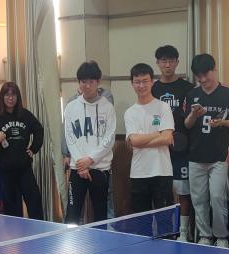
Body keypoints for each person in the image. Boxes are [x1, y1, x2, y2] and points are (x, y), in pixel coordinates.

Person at [184, 54, 229, 247]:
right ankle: (205, 235)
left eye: (205, 74)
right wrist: (193, 114)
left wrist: (222, 123)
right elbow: (187, 124)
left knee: (217, 197)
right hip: (195, 156)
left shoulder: (227, 94)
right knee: (199, 199)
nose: (202, 79)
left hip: (218, 156)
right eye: (198, 76)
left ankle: (221, 236)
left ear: (214, 70)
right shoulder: (192, 95)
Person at [64, 60, 116, 225]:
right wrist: (82, 164)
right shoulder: (71, 107)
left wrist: (90, 160)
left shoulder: (107, 107)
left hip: (100, 169)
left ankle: (101, 241)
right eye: (83, 81)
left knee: (100, 216)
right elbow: (70, 137)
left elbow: (109, 138)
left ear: (98, 82)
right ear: (78, 82)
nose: (87, 86)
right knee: (72, 215)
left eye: (91, 81)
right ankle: (69, 242)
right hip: (77, 169)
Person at [152, 44, 194, 241]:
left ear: (177, 62)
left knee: (183, 192)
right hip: (158, 149)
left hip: (182, 149)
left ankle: (183, 231)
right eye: (163, 61)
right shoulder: (153, 88)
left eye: (171, 61)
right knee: (161, 192)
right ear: (158, 63)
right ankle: (165, 228)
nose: (167, 65)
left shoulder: (188, 88)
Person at [0, 82, 44, 220]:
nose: (10, 98)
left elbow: (39, 130)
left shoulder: (25, 115)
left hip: (24, 167)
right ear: (2, 97)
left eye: (13, 95)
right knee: (11, 205)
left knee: (34, 199)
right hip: (5, 169)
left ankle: (40, 228)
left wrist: (33, 149)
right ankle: (14, 231)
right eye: (7, 95)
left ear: (18, 97)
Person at [125, 63, 174, 213]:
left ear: (152, 81)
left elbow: (167, 138)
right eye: (137, 82)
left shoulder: (163, 107)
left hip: (162, 171)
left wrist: (141, 141)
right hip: (139, 172)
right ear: (132, 84)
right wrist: (156, 133)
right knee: (141, 221)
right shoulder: (130, 112)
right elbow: (134, 141)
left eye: (145, 81)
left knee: (164, 220)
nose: (141, 85)